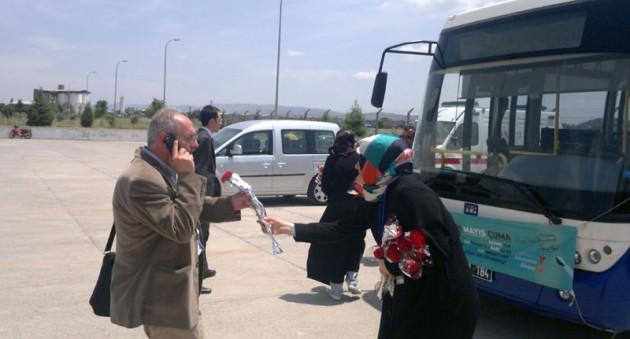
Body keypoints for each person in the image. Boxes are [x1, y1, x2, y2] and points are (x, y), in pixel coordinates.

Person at [266, 134, 479, 339]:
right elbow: (341, 228)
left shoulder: (412, 194)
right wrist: (290, 228)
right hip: (408, 292)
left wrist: (391, 264)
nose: (357, 167)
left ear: (378, 164)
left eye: (362, 161)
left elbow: (437, 252)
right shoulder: (379, 194)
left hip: (442, 302)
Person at [110, 108, 250, 338]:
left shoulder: (159, 170)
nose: (195, 144)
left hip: (176, 294)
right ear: (165, 139)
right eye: (189, 138)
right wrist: (188, 178)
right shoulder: (140, 180)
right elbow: (180, 227)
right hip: (164, 302)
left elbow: (187, 206)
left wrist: (230, 205)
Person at [309, 129, 365, 300]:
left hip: (336, 209)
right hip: (358, 209)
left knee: (333, 245)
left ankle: (336, 287)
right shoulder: (361, 160)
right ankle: (352, 280)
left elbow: (325, 187)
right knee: (355, 243)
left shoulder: (332, 159)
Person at [193, 105, 223, 294]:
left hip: (201, 194)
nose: (221, 121)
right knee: (200, 237)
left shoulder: (202, 136)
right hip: (202, 196)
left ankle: (203, 268)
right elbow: (201, 171)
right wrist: (202, 199)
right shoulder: (204, 140)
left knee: (204, 235)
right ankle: (197, 281)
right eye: (219, 118)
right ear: (211, 120)